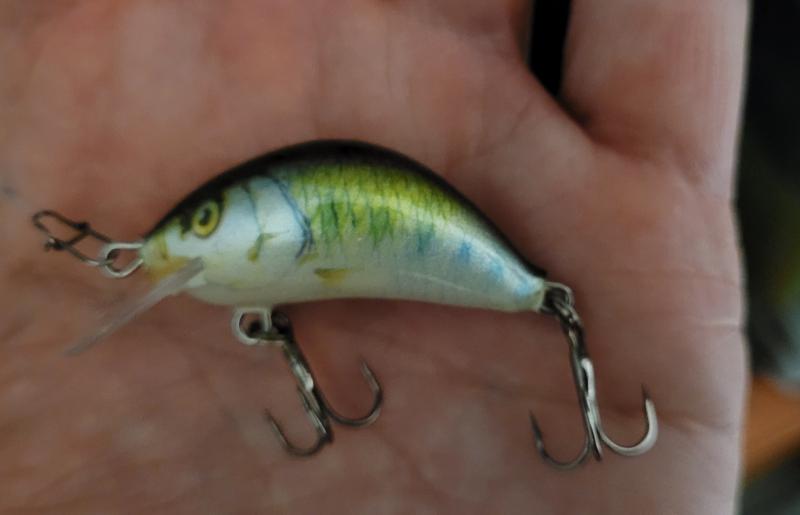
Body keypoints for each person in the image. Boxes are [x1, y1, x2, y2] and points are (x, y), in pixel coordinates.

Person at [0, 1, 748, 513]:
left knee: (536, 293)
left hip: (512, 281)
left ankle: (539, 298)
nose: (187, 242)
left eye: (205, 221)